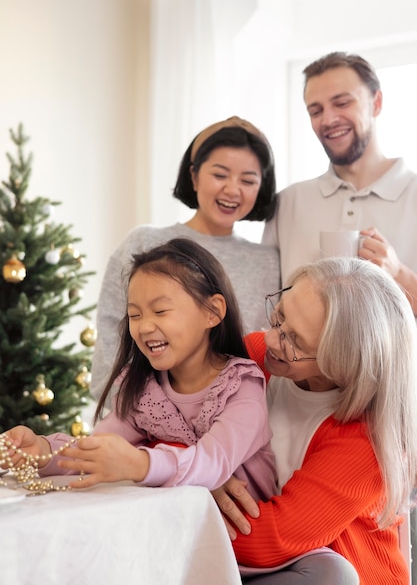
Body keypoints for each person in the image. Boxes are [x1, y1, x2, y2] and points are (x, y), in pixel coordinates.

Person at [3, 238, 277, 501]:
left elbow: (213, 463)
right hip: (181, 526)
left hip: (250, 536)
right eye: (135, 315)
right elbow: (96, 450)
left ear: (212, 312)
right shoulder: (144, 390)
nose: (144, 327)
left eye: (160, 311)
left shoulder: (241, 386)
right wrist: (42, 450)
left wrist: (140, 463)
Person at [213, 256, 417, 585]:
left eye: (296, 342)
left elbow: (271, 539)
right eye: (279, 318)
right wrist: (201, 474)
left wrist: (189, 504)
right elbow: (169, 416)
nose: (271, 339)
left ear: (344, 363)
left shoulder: (368, 443)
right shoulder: (256, 358)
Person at [91, 116, 280, 401]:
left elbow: (265, 352)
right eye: (220, 175)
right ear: (194, 176)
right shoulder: (144, 242)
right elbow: (111, 335)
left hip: (230, 423)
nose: (232, 189)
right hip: (141, 420)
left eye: (248, 180)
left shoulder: (268, 261)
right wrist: (128, 412)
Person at [263, 51, 417, 315]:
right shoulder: (287, 203)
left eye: (342, 103)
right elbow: (262, 307)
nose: (328, 120)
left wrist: (399, 273)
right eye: (316, 110)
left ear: (376, 103)